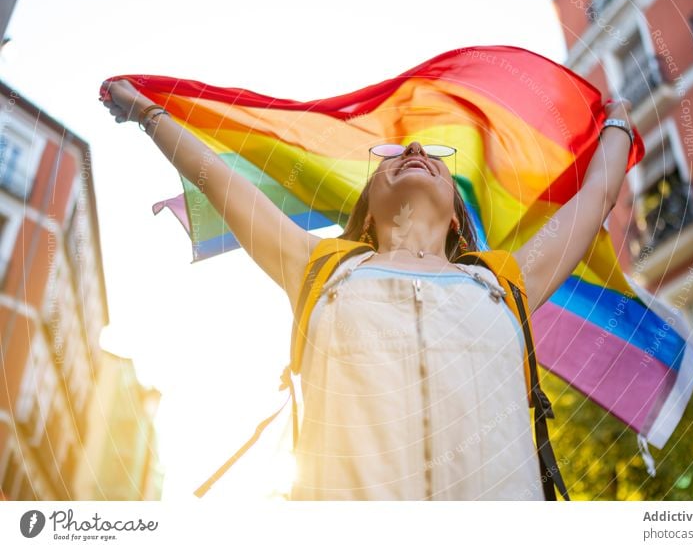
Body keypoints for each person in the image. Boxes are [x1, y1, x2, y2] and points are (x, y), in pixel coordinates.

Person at [100, 79, 634, 500]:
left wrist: (618, 126)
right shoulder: (317, 267)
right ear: (368, 210)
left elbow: (597, 196)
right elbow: (218, 178)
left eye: (430, 157)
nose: (417, 148)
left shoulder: (506, 282)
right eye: (392, 158)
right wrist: (148, 114)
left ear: (455, 218)